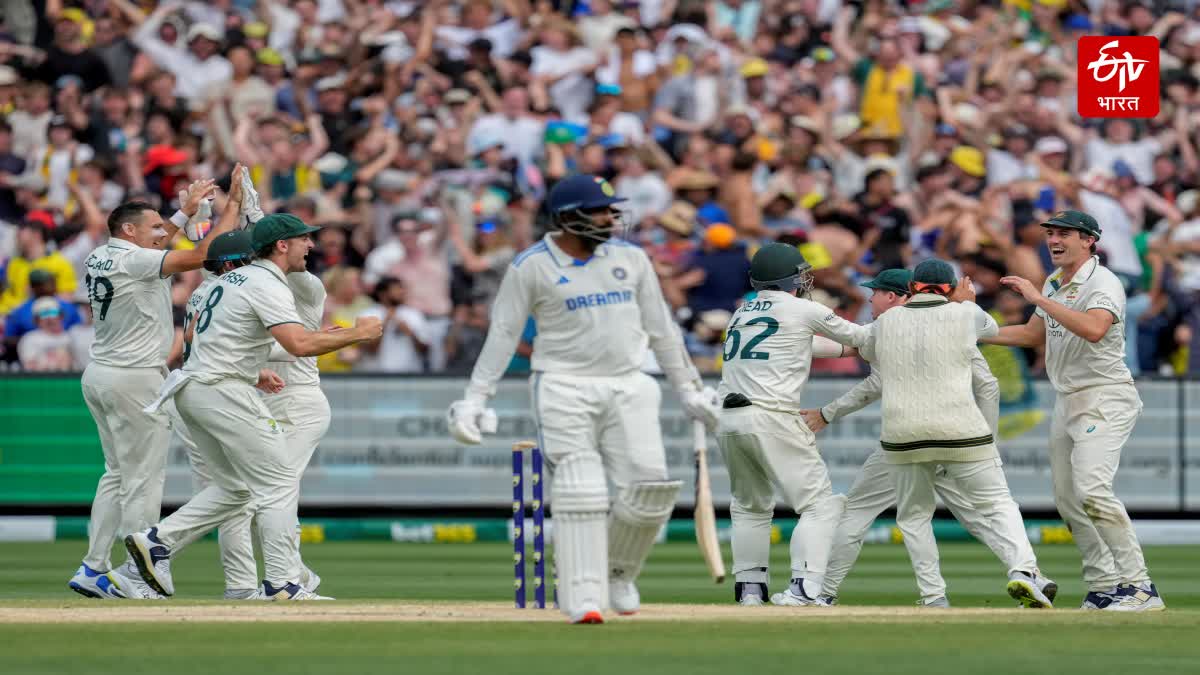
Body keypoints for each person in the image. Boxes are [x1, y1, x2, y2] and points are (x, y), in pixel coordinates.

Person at [446, 174, 720, 624]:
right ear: (568, 217)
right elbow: (503, 334)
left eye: (613, 209)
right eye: (600, 210)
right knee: (580, 489)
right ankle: (583, 595)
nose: (611, 218)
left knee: (651, 490)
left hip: (631, 382)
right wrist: (475, 399)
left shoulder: (632, 258)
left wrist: (688, 387)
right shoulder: (531, 265)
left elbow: (661, 329)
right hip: (562, 384)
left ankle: (618, 573)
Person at [124, 214, 382, 600]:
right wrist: (358, 334)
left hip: (193, 390)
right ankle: (282, 582)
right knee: (277, 481)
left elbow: (233, 338)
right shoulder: (265, 282)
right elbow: (297, 345)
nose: (310, 246)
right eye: (303, 240)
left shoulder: (218, 284)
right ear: (281, 245)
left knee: (236, 488)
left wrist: (260, 367)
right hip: (222, 391)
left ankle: (157, 541)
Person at [801, 269, 1057, 607]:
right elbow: (991, 379)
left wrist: (789, 335)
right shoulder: (966, 315)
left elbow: (846, 348)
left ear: (906, 290)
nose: (869, 299)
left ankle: (930, 596)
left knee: (910, 517)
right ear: (950, 289)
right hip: (962, 435)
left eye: (874, 293)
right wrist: (988, 441)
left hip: (903, 437)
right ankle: (1026, 571)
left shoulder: (883, 326)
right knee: (993, 508)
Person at [984, 210, 1165, 612]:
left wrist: (1036, 298)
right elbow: (1033, 334)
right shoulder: (1054, 282)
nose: (1054, 240)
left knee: (1093, 491)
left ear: (1089, 240)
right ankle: (1104, 586)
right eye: (1050, 233)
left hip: (1105, 395)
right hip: (1068, 399)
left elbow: (1095, 328)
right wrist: (974, 331)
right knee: (1067, 498)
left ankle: (1140, 588)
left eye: (1064, 233)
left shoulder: (1102, 282)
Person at [66, 174, 233, 600]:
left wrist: (186, 211)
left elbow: (158, 248)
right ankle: (135, 574)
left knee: (117, 475)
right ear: (130, 231)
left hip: (101, 374)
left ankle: (93, 567)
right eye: (156, 227)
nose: (163, 233)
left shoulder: (103, 254)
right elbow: (199, 256)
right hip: (135, 379)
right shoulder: (136, 260)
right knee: (142, 479)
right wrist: (230, 213)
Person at [714, 242, 870, 608]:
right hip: (772, 414)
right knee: (820, 505)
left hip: (729, 417)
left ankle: (751, 589)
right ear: (791, 279)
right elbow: (864, 337)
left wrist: (849, 351)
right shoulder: (804, 308)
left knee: (749, 506)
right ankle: (804, 588)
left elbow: (795, 344)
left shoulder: (741, 312)